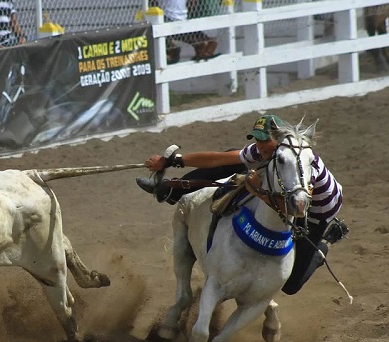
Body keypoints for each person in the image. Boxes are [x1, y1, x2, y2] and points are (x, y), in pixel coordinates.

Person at [135, 114, 349, 295]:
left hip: (315, 210)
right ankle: (171, 188)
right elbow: (218, 159)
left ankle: (328, 239)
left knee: (291, 285)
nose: (260, 145)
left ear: (280, 140)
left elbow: (294, 210)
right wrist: (175, 161)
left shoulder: (299, 162)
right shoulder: (265, 151)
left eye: (265, 140)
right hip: (285, 191)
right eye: (257, 140)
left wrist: (258, 190)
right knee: (234, 159)